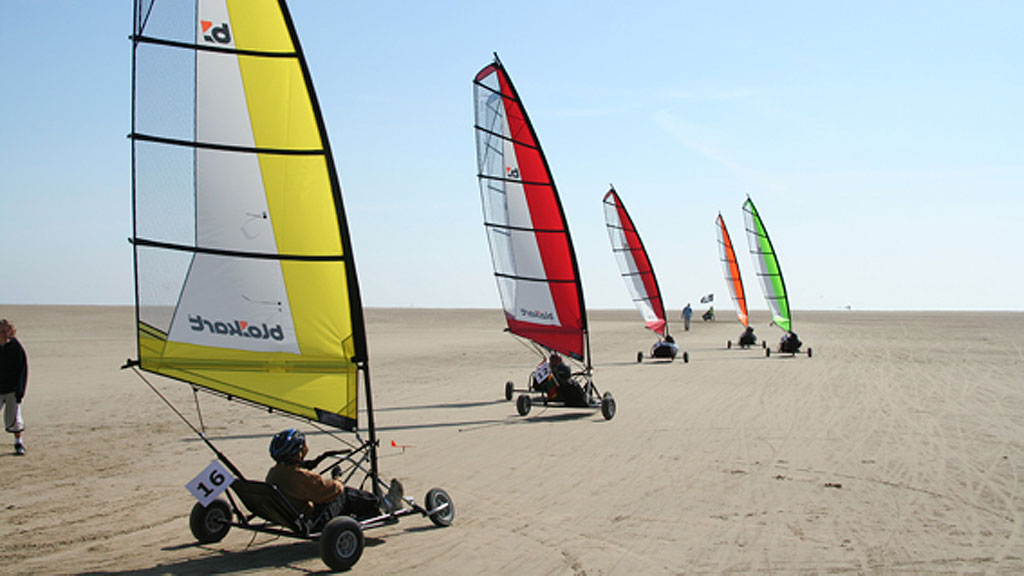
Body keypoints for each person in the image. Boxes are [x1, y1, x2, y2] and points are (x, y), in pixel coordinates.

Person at [266, 428, 403, 521]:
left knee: (340, 494)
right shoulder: (301, 478)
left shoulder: (273, 474)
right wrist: (337, 478)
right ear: (299, 453)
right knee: (345, 494)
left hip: (292, 514)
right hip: (316, 520)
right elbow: (332, 489)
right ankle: (386, 505)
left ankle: (374, 503)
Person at [0, 319, 28, 456]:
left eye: (6, 331)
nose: (4, 334)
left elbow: (22, 370)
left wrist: (20, 392)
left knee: (15, 419)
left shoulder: (15, 347)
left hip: (12, 390)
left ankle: (18, 443)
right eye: (1, 331)